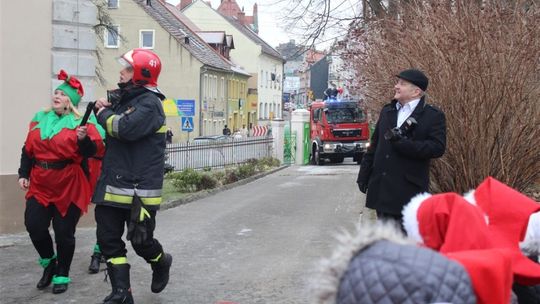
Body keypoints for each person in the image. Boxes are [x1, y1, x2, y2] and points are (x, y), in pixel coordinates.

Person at [93, 48, 172, 304]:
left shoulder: (151, 104)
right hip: (113, 185)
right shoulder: (126, 100)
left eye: (127, 68)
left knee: (141, 243)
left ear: (140, 73)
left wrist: (103, 113)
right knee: (107, 240)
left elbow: (123, 128)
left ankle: (161, 261)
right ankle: (121, 293)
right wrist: (109, 106)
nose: (121, 72)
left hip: (139, 191)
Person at [18, 70, 105, 294]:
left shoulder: (79, 122)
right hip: (40, 182)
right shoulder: (39, 118)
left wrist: (83, 139)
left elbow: (91, 151)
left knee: (64, 232)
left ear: (70, 101)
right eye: (55, 92)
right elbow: (28, 150)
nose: (56, 95)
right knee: (34, 226)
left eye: (61, 94)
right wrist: (23, 173)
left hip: (69, 184)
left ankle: (62, 273)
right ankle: (49, 263)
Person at [356, 69, 446, 231]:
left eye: (402, 84)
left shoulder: (432, 116)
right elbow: (374, 145)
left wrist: (404, 144)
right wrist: (364, 174)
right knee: (386, 241)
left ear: (416, 91)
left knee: (405, 244)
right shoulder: (387, 111)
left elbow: (437, 148)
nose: (396, 87)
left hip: (408, 191)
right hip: (382, 188)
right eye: (397, 83)